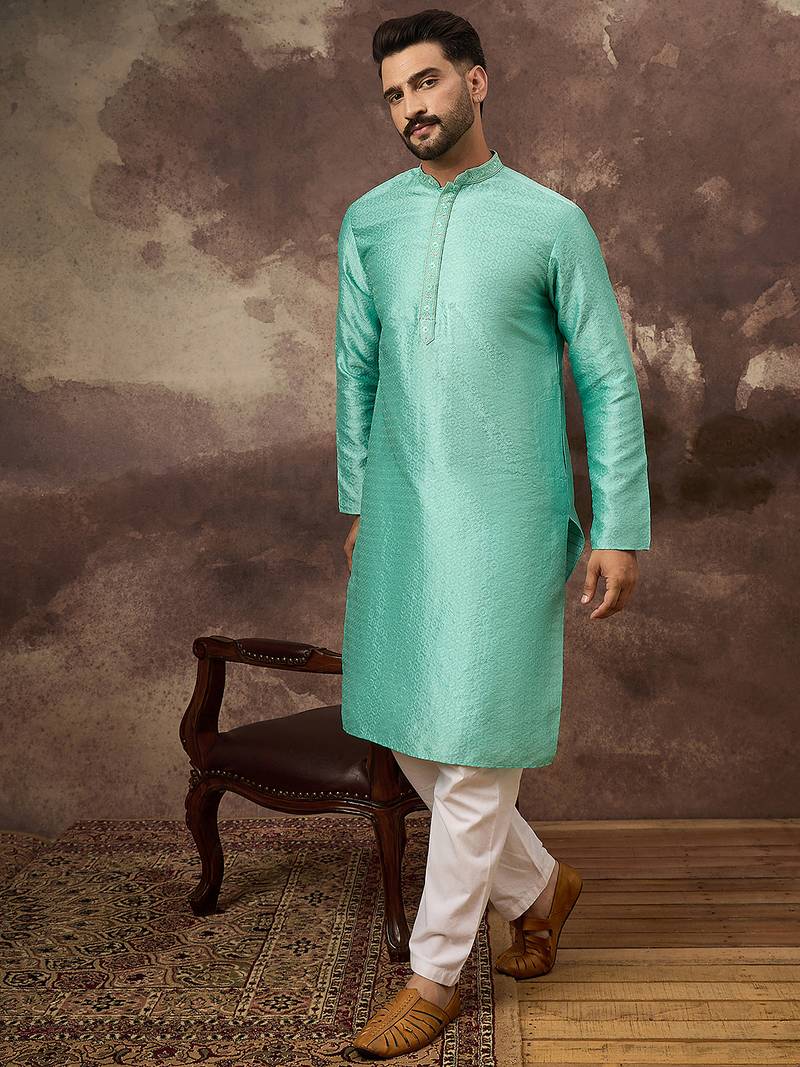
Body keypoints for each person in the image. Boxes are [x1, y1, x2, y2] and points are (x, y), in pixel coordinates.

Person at [334, 9, 651, 1059]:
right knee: (409, 724)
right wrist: (358, 501)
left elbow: (606, 378)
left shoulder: (550, 222)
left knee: (473, 745)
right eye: (393, 93)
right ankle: (539, 886)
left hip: (510, 517)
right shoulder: (368, 222)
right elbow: (354, 369)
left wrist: (619, 526)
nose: (409, 107)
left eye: (426, 82)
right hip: (403, 509)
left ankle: (433, 975)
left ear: (476, 81)